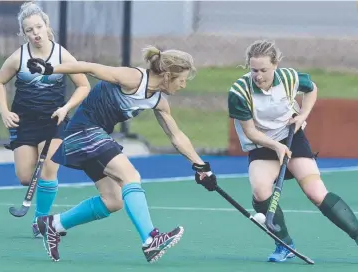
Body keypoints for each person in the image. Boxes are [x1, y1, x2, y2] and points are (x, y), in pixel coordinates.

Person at [196, 40, 358, 263]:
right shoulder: (239, 91)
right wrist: (276, 146)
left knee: (316, 192)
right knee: (260, 191)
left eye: (264, 70)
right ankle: (284, 243)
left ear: (275, 65)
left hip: (292, 139)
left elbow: (312, 89)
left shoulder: (289, 78)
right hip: (262, 145)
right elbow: (249, 132)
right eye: (254, 70)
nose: (258, 76)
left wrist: (303, 115)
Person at [26, 46, 217, 263]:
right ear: (167, 76)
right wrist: (51, 68)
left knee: (113, 200)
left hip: (94, 137)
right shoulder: (134, 78)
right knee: (131, 176)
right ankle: (150, 239)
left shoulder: (158, 101)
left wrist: (201, 166)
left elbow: (176, 136)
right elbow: (91, 68)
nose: (183, 85)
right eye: (181, 79)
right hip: (84, 132)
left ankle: (53, 224)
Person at [0, 2, 91, 238]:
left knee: (47, 170)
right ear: (23, 33)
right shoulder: (18, 57)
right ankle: (41, 216)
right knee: (26, 177)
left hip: (53, 121)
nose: (36, 33)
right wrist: (5, 112)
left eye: (39, 27)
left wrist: (66, 107)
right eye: (29, 30)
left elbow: (84, 85)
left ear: (47, 27)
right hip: (25, 122)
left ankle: (41, 222)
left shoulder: (61, 55)